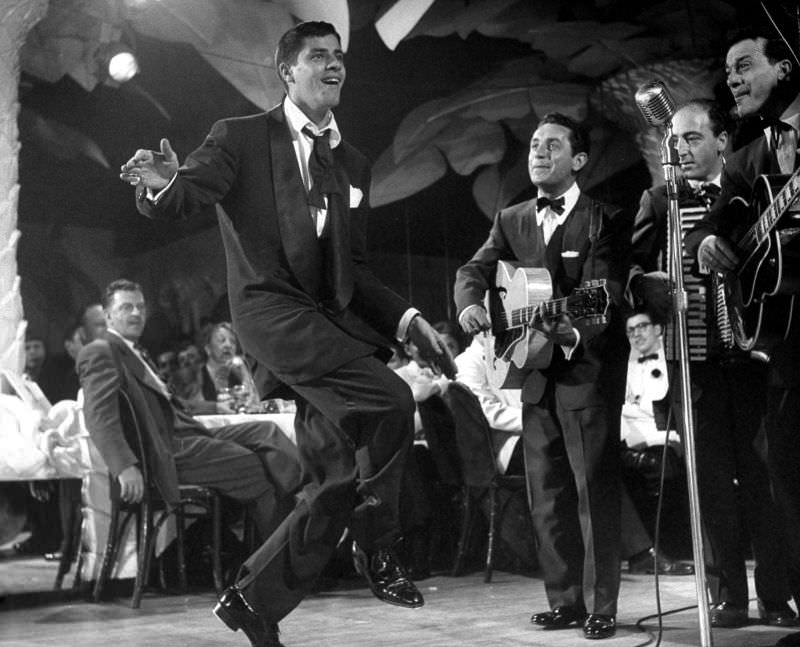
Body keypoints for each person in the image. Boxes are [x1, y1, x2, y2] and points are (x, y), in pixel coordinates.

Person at [119, 21, 455, 647]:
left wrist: (409, 321)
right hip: (273, 316)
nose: (334, 66)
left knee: (333, 478)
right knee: (391, 399)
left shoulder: (352, 161)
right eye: (318, 56)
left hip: (329, 323)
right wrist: (164, 181)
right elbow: (188, 191)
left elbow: (354, 270)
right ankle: (380, 545)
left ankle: (252, 600)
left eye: (340, 58)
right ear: (286, 71)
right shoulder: (241, 139)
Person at [454, 112, 631, 640]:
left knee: (591, 491)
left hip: (588, 374)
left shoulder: (607, 219)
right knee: (548, 494)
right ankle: (565, 600)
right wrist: (468, 306)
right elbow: (475, 271)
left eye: (552, 145)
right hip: (531, 375)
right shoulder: (511, 219)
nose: (538, 152)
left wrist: (565, 328)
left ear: (578, 160)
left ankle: (602, 606)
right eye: (533, 144)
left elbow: (604, 296)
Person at [633, 97, 792, 626]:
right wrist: (652, 287)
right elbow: (633, 270)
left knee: (765, 477)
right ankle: (727, 594)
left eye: (694, 137)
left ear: (722, 141)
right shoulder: (660, 201)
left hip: (752, 354)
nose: (683, 147)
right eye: (675, 139)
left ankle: (776, 594)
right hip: (692, 359)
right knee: (711, 482)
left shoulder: (748, 190)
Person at [684, 27, 800, 644]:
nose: (732, 76)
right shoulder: (753, 154)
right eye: (727, 68)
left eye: (745, 64)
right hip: (783, 348)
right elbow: (720, 219)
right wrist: (708, 239)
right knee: (788, 480)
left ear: (784, 68)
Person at [77, 279, 302, 555]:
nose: (136, 313)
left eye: (140, 307)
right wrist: (124, 467)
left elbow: (169, 405)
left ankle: (306, 492)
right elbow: (99, 416)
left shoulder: (135, 351)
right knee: (253, 464)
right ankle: (288, 559)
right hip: (166, 451)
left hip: (185, 434)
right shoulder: (100, 351)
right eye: (126, 307)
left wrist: (215, 409)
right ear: (108, 314)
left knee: (265, 431)